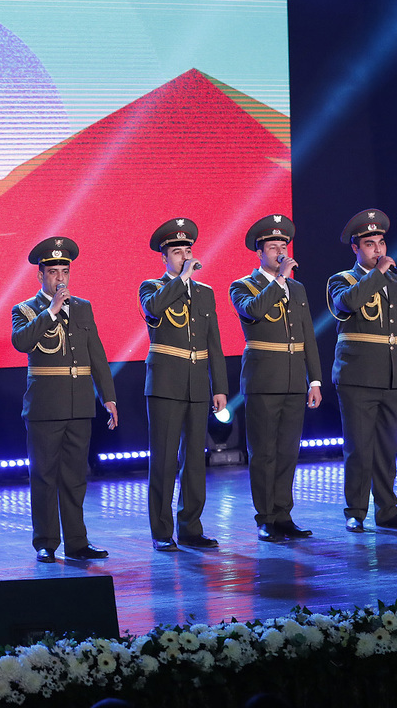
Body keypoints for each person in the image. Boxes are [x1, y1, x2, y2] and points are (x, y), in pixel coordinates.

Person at [11, 237, 118, 562]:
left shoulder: (82, 307)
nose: (60, 278)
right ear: (40, 275)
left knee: (75, 477)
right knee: (44, 476)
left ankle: (77, 542)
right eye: (53, 272)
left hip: (79, 404)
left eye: (64, 272)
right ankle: (46, 542)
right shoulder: (26, 309)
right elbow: (21, 342)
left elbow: (96, 354)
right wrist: (51, 312)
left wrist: (108, 397)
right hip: (45, 407)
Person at [327, 209, 397, 532]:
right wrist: (378, 274)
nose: (378, 249)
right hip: (357, 377)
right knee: (358, 448)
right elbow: (348, 304)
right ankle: (355, 511)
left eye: (381, 243)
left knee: (387, 448)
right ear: (356, 248)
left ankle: (387, 510)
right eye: (370, 244)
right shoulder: (342, 280)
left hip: (394, 376)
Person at [229, 214, 322, 542]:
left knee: (287, 452)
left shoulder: (297, 288)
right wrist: (279, 280)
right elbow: (253, 311)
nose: (281, 251)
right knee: (264, 452)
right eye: (273, 247)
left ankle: (283, 515)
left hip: (294, 380)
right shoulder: (243, 285)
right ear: (259, 252)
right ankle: (265, 517)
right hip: (263, 380)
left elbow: (307, 335)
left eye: (284, 245)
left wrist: (314, 380)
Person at [139, 218, 228, 551]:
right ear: (164, 257)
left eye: (188, 250)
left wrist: (219, 387)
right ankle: (162, 532)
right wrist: (182, 278)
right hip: (165, 384)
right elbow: (153, 309)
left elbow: (214, 343)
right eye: (177, 252)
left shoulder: (205, 293)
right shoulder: (151, 287)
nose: (185, 256)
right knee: (164, 461)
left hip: (197, 384)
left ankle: (191, 527)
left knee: (194, 461)